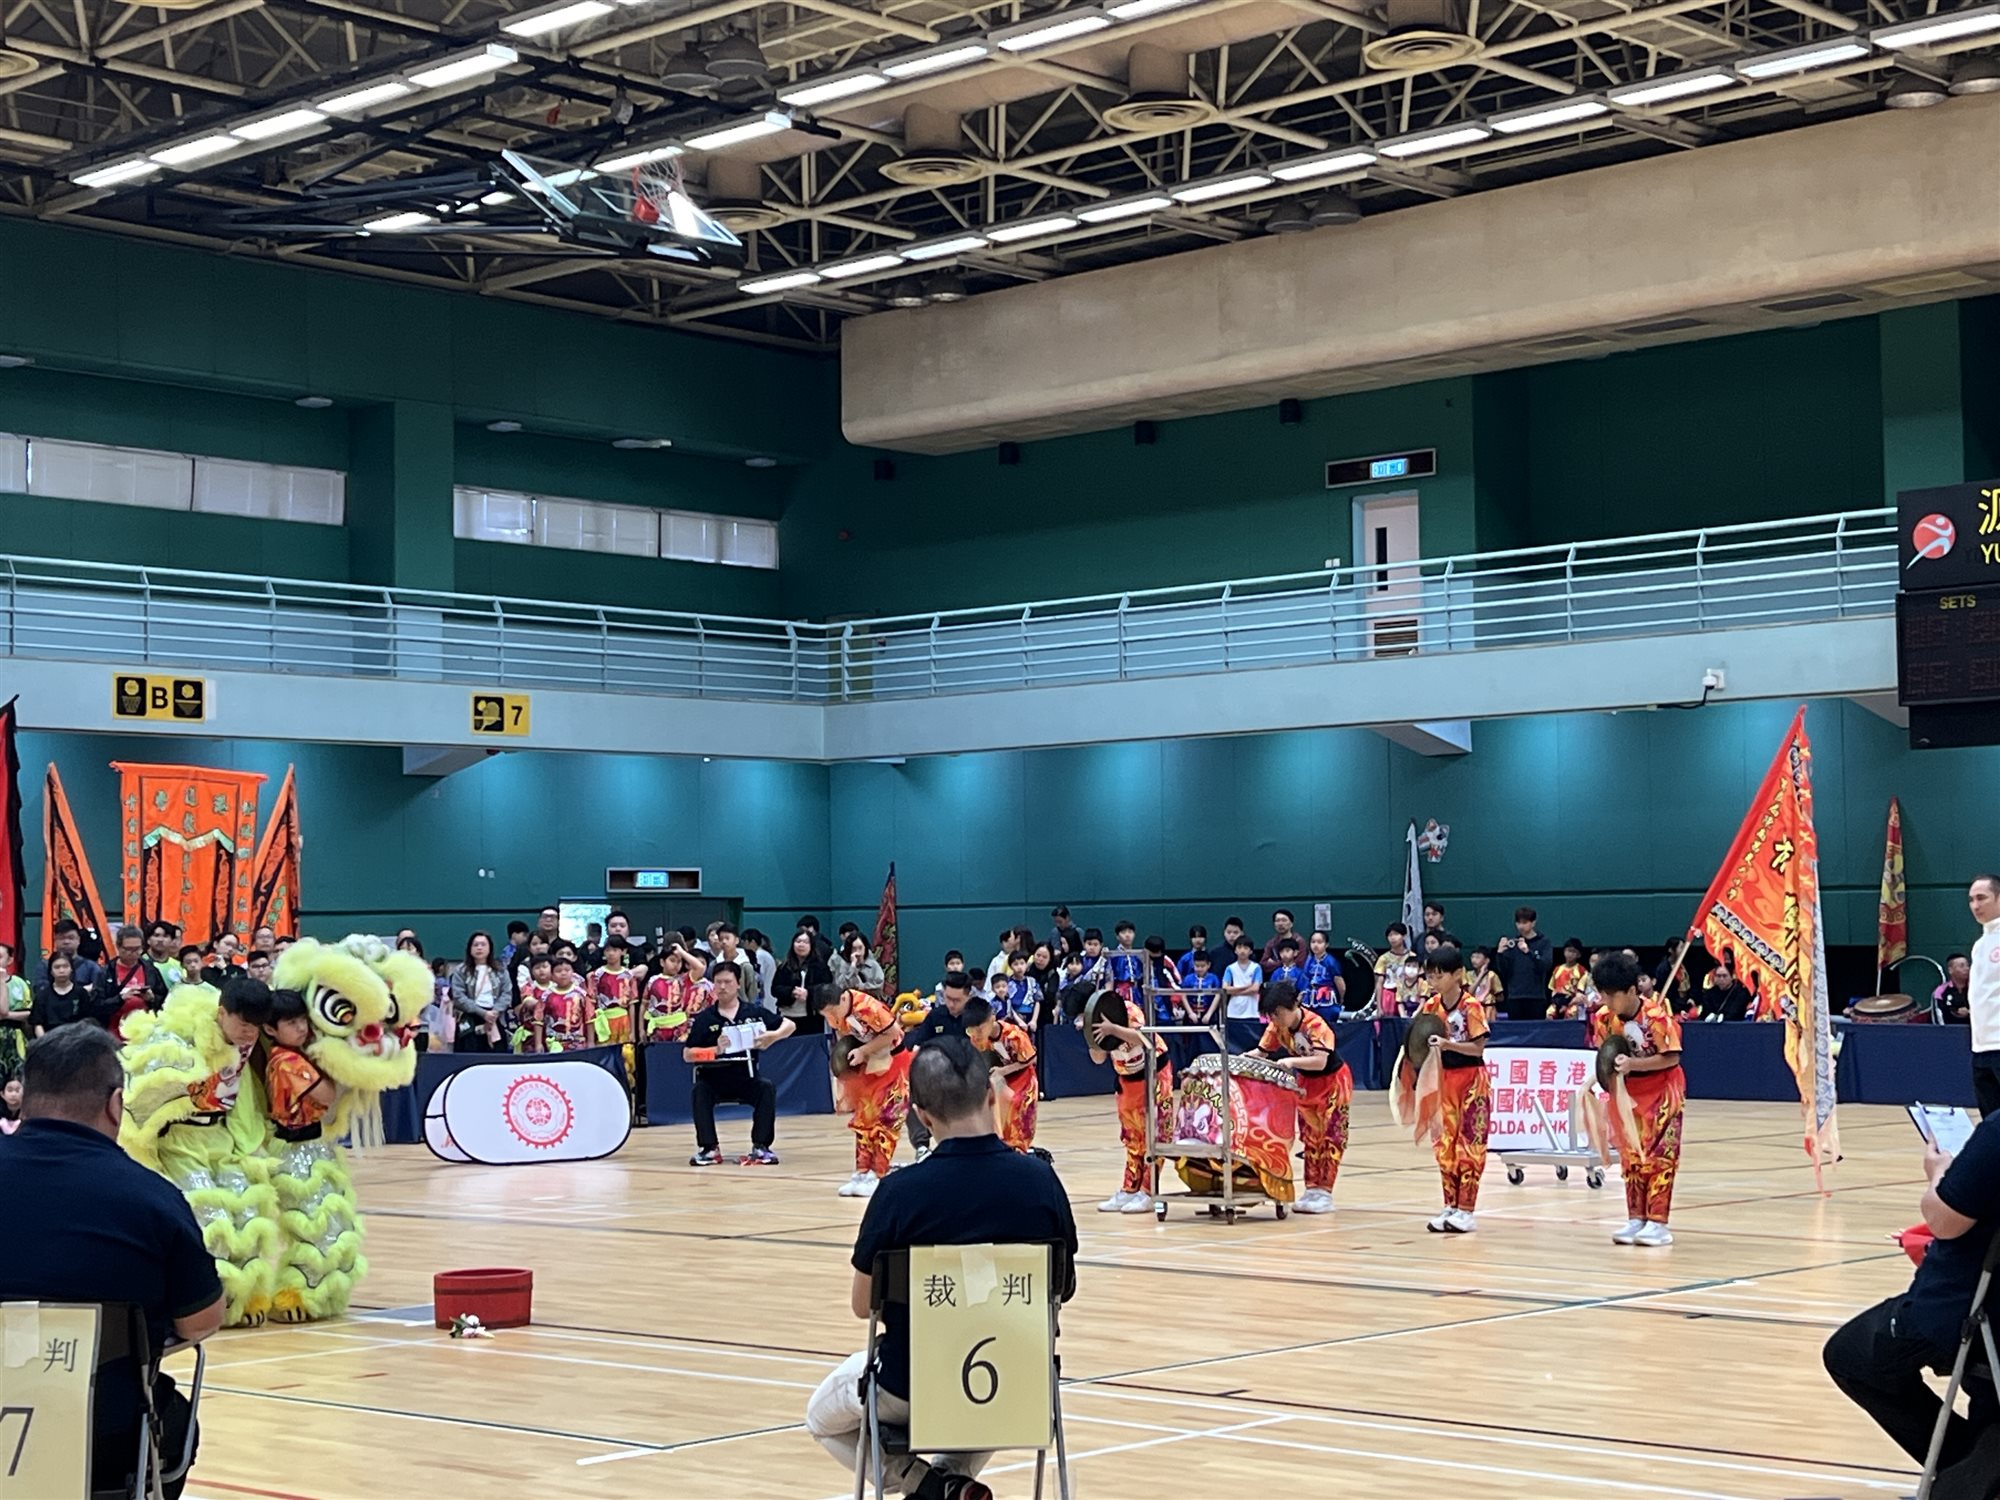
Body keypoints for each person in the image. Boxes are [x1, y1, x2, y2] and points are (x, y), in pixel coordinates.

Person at [806, 1036, 1076, 1500]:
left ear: (922, 1116)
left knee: (821, 1417)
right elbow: (1064, 1288)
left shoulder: (898, 1193)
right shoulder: (1041, 1181)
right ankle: (951, 1487)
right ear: (990, 1095)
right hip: (1017, 1378)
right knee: (980, 1395)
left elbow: (862, 1305)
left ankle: (928, 1486)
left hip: (910, 1383)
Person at [0, 1026, 226, 1499]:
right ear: (115, 1104)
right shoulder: (153, 1199)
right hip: (103, 1442)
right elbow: (201, 1320)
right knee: (174, 1422)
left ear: (24, 1099)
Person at [1824, 1108, 2000, 1494]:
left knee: (1851, 1355)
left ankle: (1972, 1464)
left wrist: (1939, 1175)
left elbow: (1945, 1222)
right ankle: (1977, 1463)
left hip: (1968, 1310)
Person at [1586, 950, 1685, 1246]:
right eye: (1602, 994)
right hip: (1626, 1094)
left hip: (1662, 1093)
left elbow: (1671, 1057)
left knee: (1659, 1157)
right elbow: (1606, 1054)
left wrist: (1634, 1064)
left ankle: (1658, 1223)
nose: (1605, 1001)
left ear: (1631, 990)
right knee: (1631, 1158)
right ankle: (1636, 1218)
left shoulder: (1656, 1018)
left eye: (1611, 995)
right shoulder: (1603, 1018)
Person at [685, 964, 795, 1167]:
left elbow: (790, 1025)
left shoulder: (753, 1012)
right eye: (718, 982)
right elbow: (687, 1054)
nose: (722, 987)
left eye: (727, 982)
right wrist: (715, 1050)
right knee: (699, 1091)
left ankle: (761, 1146)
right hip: (713, 1080)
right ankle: (709, 1148)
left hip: (746, 1078)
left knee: (766, 1088)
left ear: (738, 984)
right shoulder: (705, 1018)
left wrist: (773, 1036)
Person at [1255, 979, 1348, 1214]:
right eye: (1270, 1015)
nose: (1274, 1019)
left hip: (1333, 1082)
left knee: (1330, 1136)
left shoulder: (1315, 1025)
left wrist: (1291, 1061)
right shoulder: (1276, 1026)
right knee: (1309, 1137)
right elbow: (1261, 1052)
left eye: (1278, 1013)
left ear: (1294, 1005)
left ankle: (1325, 1191)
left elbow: (1320, 1061)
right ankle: (1312, 1188)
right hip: (1307, 1084)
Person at [1414, 944, 1490, 1233]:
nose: (1434, 982)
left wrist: (1448, 1045)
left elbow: (1478, 1047)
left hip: (1472, 1081)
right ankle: (1450, 1205)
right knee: (1444, 1145)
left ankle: (1467, 1210)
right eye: (1430, 976)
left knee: (1469, 1144)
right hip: (1442, 1080)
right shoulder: (1431, 1007)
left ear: (1458, 974)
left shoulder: (1471, 1006)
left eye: (1439, 975)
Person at [819, 983, 911, 1198]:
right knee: (864, 1120)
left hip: (894, 1062)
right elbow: (844, 1035)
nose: (831, 1017)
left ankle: (878, 1174)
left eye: (832, 1011)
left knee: (888, 1120)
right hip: (868, 1064)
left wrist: (863, 1050)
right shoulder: (835, 1013)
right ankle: (862, 1172)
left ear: (843, 999)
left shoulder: (868, 1007)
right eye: (826, 1014)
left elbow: (893, 1033)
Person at [1087, 988, 1172, 1214]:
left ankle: (1149, 1191)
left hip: (1154, 1071)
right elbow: (1098, 1059)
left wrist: (1114, 1029)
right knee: (1132, 1136)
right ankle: (1130, 1188)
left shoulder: (1128, 1010)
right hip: (1127, 1078)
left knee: (1155, 1133)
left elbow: (1145, 1038)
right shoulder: (1091, 1023)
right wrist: (1092, 1038)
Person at [903, 971, 976, 1161]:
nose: (951, 1004)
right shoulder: (936, 1015)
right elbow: (917, 1047)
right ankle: (921, 1147)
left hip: (967, 1074)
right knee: (911, 1094)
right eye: (947, 998)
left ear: (968, 996)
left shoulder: (976, 1017)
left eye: (956, 1000)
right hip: (935, 1073)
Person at [963, 996, 1039, 1154]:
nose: (976, 1034)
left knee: (1018, 1115)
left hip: (1024, 1078)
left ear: (992, 1019)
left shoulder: (1015, 1035)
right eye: (971, 1030)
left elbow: (1031, 1059)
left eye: (980, 1029)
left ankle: (1019, 1151)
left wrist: (1004, 1071)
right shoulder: (976, 1039)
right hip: (1001, 1078)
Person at [448, 930, 512, 1052]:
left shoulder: (500, 970)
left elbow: (506, 993)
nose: (479, 948)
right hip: (470, 1019)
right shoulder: (461, 970)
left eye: (483, 944)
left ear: (490, 948)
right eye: (476, 945)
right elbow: (458, 996)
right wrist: (482, 1013)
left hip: (494, 1018)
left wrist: (495, 1012)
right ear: (470, 948)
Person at [1968, 876, 2000, 1116]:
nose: (1975, 905)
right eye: (1971, 900)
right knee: (1991, 1122)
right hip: (1981, 1047)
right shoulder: (1980, 945)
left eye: (1982, 898)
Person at [1492, 906, 1555, 1021]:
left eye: (1525, 923)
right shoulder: (1512, 944)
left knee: (1536, 1029)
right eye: (1518, 923)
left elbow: (1546, 966)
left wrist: (1528, 952)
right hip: (1515, 997)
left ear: (1533, 923)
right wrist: (1500, 953)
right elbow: (1503, 970)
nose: (1521, 926)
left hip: (1536, 997)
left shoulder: (1544, 942)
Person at [777, 929, 835, 1035]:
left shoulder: (820, 967)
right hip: (788, 1016)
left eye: (805, 942)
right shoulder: (784, 967)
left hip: (813, 1016)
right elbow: (775, 989)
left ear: (811, 945)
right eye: (798, 941)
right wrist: (791, 992)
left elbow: (827, 989)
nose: (801, 945)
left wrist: (809, 993)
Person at [537, 952, 593, 1052]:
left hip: (578, 1043)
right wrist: (538, 1043)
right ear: (552, 975)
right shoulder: (546, 995)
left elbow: (590, 1018)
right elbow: (538, 1020)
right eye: (558, 971)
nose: (563, 973)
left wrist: (591, 1042)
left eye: (567, 970)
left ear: (573, 973)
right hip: (554, 1043)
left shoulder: (582, 994)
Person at [31, 951, 86, 1035]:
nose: (61, 970)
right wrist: (45, 1041)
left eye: (65, 966)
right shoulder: (42, 995)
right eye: (57, 967)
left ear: (71, 969)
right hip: (49, 1038)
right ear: (51, 971)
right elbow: (37, 1024)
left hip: (76, 1038)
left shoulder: (81, 993)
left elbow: (86, 1022)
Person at [1301, 930, 1345, 1021]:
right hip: (1310, 998)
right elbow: (1306, 979)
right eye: (1313, 942)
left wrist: (1341, 998)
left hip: (1326, 997)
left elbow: (1339, 982)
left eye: (1319, 942)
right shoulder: (1309, 961)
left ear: (1326, 944)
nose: (1315, 945)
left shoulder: (1331, 961)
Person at [0, 943, 30, 1076]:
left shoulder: (19, 983)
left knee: (17, 1076)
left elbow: (29, 1012)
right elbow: (3, 1009)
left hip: (15, 1036)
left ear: (10, 960)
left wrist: (7, 1015)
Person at [832, 932, 887, 999]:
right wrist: (852, 967)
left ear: (865, 948)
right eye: (854, 949)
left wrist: (861, 987)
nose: (858, 952)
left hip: (870, 1001)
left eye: (860, 948)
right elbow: (840, 986)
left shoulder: (873, 966)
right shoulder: (843, 966)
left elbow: (878, 987)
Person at [1222, 934, 1263, 1020]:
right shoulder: (1230, 968)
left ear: (1251, 951)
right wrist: (1246, 987)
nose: (1242, 951)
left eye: (1245, 948)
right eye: (1239, 947)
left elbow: (1255, 989)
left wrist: (1235, 992)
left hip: (1252, 1010)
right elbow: (1225, 989)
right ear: (1235, 950)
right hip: (1234, 1010)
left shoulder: (1256, 967)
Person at [1546, 938, 1587, 1019]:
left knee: (1572, 1013)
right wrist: (1556, 1003)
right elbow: (1553, 990)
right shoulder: (1557, 969)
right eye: (1568, 951)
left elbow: (1580, 992)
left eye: (1573, 952)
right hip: (1558, 1001)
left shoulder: (1581, 971)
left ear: (1579, 955)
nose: (1570, 954)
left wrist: (1567, 1004)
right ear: (1564, 951)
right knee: (1549, 1013)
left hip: (1573, 1002)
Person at [1938, 953, 1973, 1024]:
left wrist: (1969, 1012)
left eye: (1967, 965)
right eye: (1962, 966)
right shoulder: (1941, 991)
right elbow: (1938, 1014)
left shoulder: (1975, 989)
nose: (1966, 969)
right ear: (1950, 970)